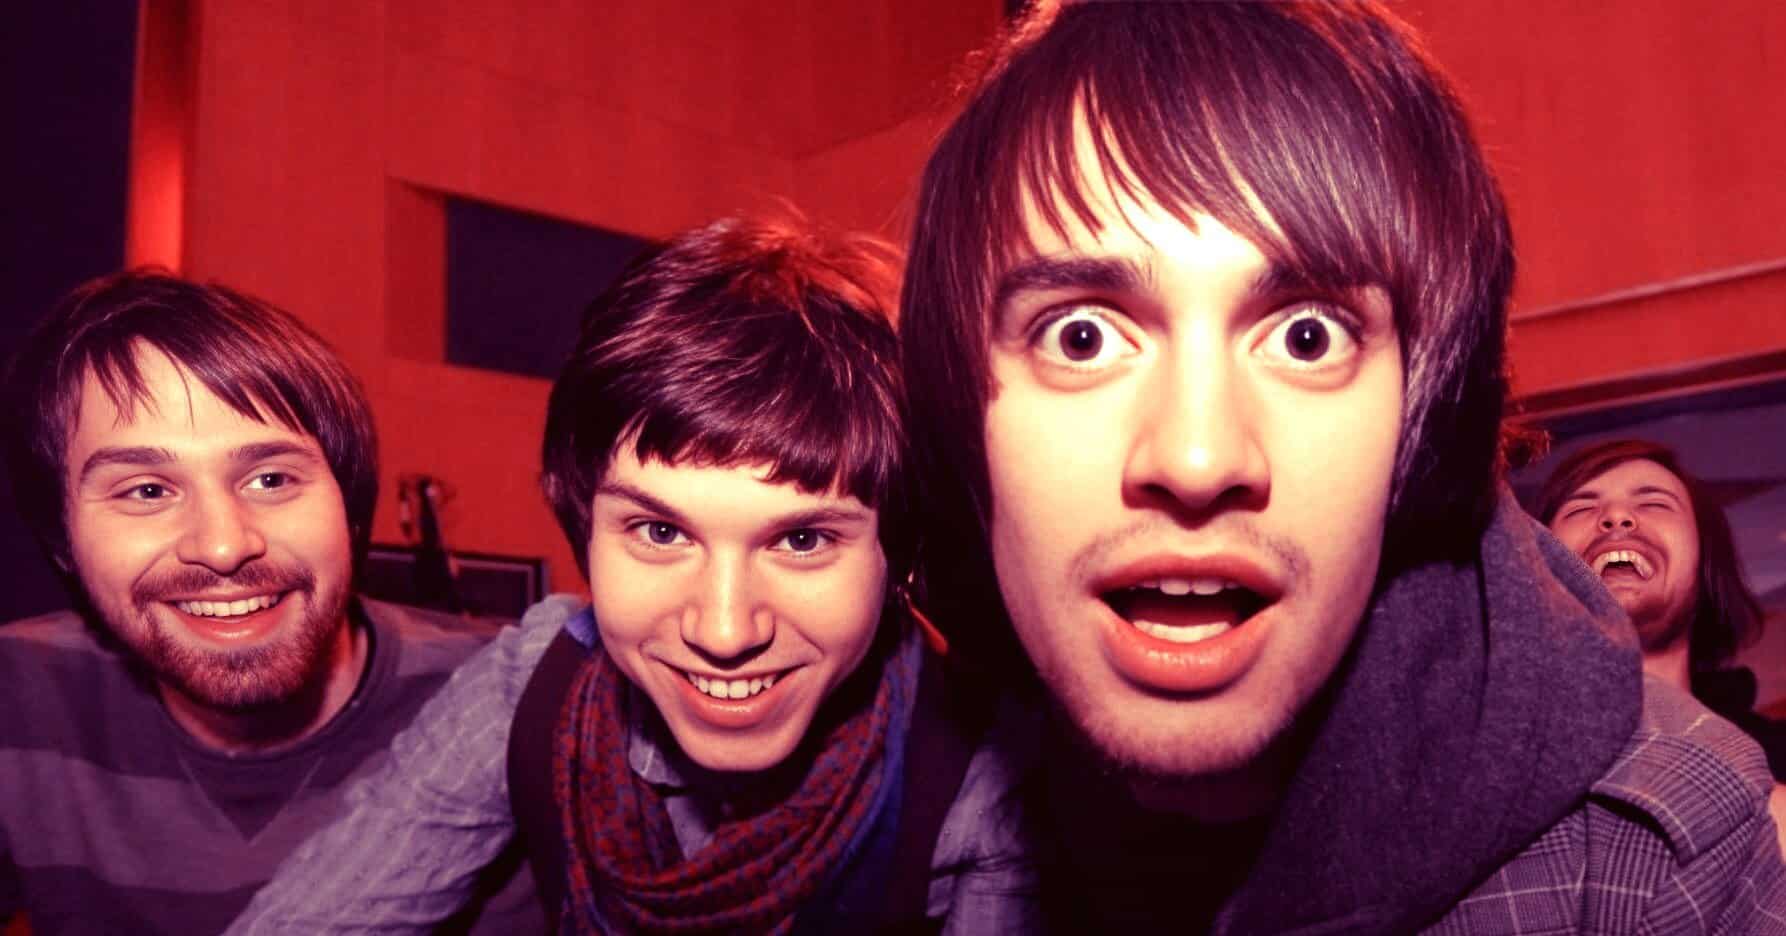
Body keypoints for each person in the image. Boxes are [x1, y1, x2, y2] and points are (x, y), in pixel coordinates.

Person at [898, 1, 1786, 931]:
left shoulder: (1655, 856)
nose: (1198, 457)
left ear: (1419, 422)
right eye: (1080, 337)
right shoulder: (929, 824)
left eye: (1306, 335)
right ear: (966, 419)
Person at [229, 215, 1038, 934]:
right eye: (658, 531)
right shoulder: (535, 685)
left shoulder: (977, 777)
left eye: (801, 542)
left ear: (898, 556)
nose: (725, 631)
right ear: (585, 534)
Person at [0, 272, 537, 934]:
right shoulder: (17, 693)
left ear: (350, 507)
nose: (224, 546)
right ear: (61, 541)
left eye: (271, 478)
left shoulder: (527, 702)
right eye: (145, 491)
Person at [1538, 439, 1786, 844]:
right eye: (1581, 508)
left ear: (1705, 566)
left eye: (1654, 504)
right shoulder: (1493, 765)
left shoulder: (1776, 762)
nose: (1616, 516)